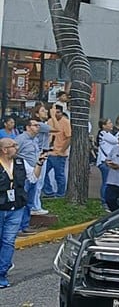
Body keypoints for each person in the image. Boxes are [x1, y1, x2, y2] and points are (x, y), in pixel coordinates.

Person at [0, 137, 42, 288]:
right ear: (4, 150)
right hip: (1, 207)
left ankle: (2, 274)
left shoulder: (20, 162)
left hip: (16, 208)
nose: (17, 148)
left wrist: (39, 164)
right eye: (13, 145)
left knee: (8, 241)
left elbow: (33, 178)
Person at [14, 119, 45, 236]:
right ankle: (18, 228)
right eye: (35, 125)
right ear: (28, 127)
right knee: (21, 200)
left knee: (29, 202)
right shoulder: (20, 139)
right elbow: (14, 152)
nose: (38, 127)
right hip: (24, 174)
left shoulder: (35, 140)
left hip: (34, 172)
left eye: (38, 125)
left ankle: (25, 225)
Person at [43, 105, 71, 198]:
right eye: (55, 112)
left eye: (58, 112)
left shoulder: (66, 122)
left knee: (59, 175)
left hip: (59, 153)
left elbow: (68, 137)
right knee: (43, 173)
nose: (56, 114)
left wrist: (62, 150)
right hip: (49, 151)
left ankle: (60, 194)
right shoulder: (50, 121)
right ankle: (49, 191)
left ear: (62, 113)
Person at [95, 119, 118, 209]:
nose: (111, 124)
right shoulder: (104, 134)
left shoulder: (105, 134)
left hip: (106, 161)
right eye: (109, 123)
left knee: (107, 182)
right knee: (106, 182)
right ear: (103, 126)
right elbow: (115, 140)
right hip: (104, 161)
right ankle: (104, 201)